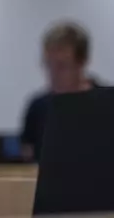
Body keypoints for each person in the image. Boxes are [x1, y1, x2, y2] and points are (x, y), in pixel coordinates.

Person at [20, 21, 103, 162]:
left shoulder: (106, 104)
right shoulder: (38, 107)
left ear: (82, 62)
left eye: (62, 66)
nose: (53, 74)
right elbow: (28, 158)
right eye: (48, 64)